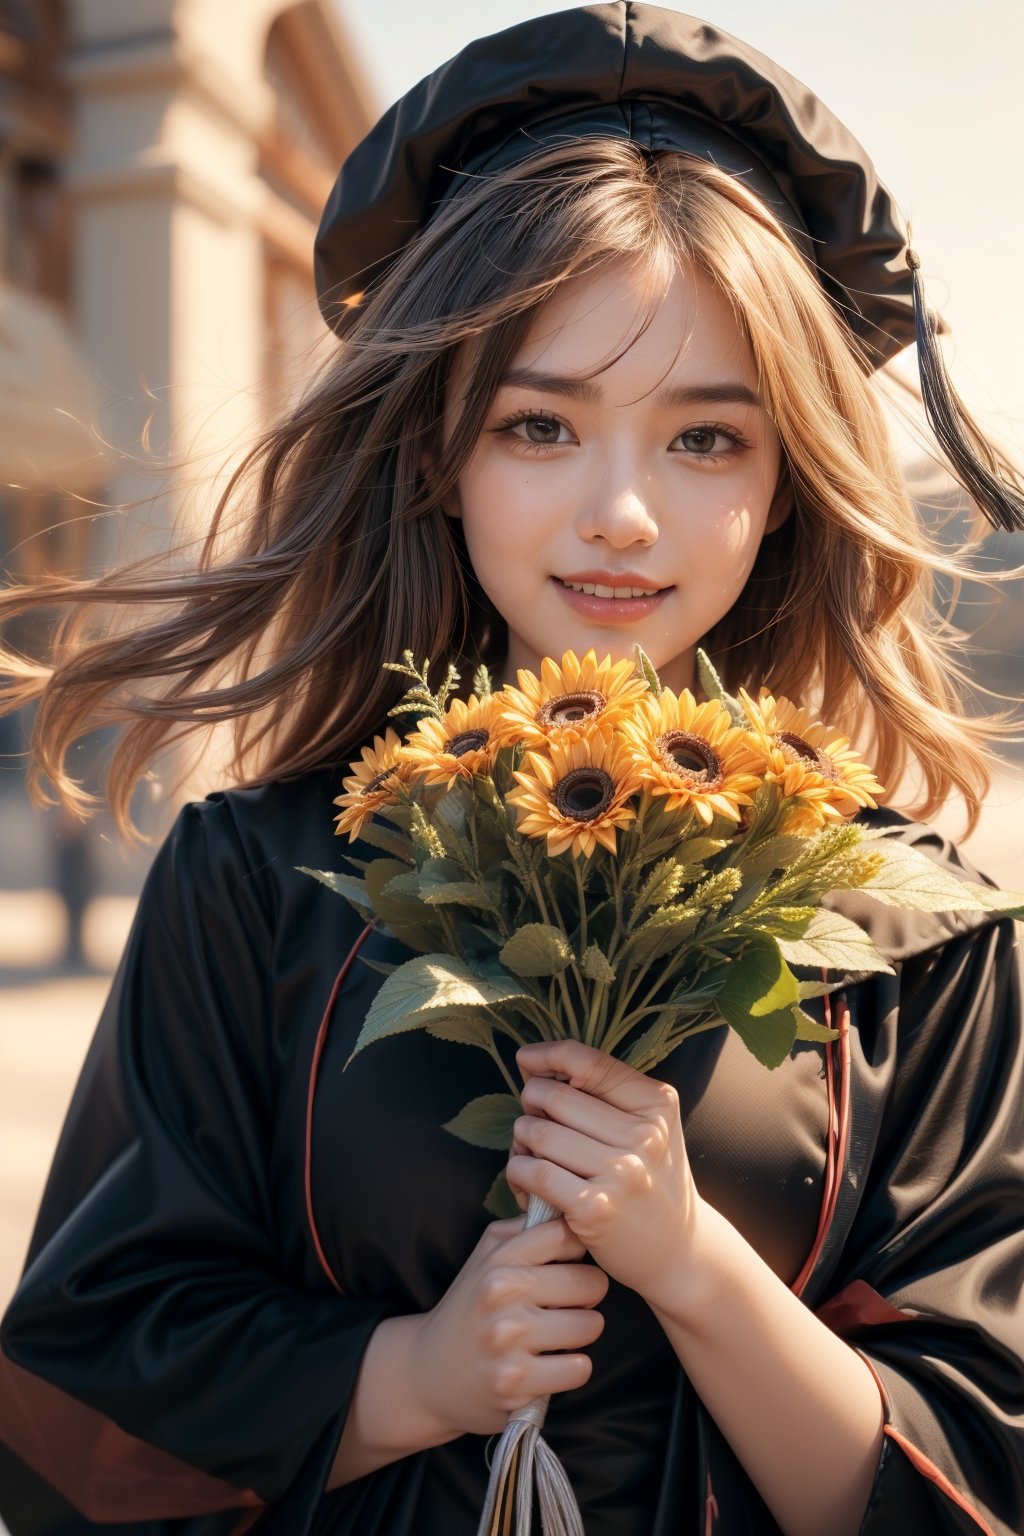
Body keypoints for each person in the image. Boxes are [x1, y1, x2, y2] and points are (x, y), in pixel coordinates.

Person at [1, 5, 1022, 1534]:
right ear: (439, 455)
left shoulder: (921, 938)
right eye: (540, 424)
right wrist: (411, 1375)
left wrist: (694, 1269)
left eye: (705, 441)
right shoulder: (259, 885)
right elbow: (76, 1421)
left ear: (784, 487)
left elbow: (984, 1476)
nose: (620, 512)